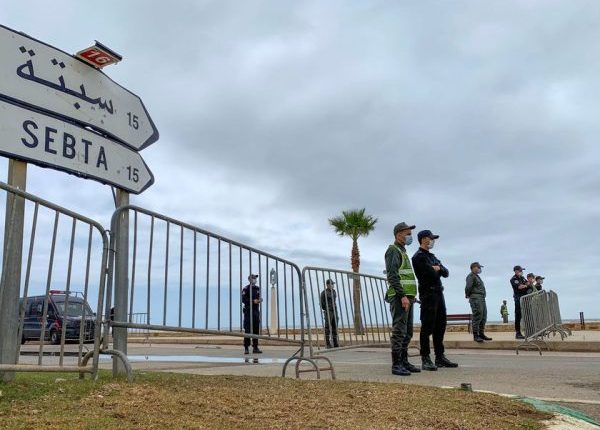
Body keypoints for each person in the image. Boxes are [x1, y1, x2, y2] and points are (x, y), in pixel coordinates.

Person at [412, 230, 458, 371]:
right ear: (424, 239)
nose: (433, 241)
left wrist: (438, 268)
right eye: (431, 238)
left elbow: (446, 272)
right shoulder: (418, 257)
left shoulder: (432, 257)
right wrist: (436, 269)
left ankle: (440, 357)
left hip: (439, 294)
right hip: (428, 294)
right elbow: (430, 273)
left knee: (440, 326)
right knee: (427, 327)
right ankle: (425, 358)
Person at [384, 222, 420, 376]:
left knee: (408, 332)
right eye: (408, 233)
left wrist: (412, 296)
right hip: (400, 297)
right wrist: (403, 296)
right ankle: (396, 364)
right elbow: (392, 276)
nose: (410, 236)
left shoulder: (402, 251)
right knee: (399, 331)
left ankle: (404, 361)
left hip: (408, 297)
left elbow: (405, 276)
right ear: (398, 234)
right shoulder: (393, 250)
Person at [465, 262, 491, 343]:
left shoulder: (477, 277)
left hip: (482, 298)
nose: (480, 269)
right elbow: (468, 287)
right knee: (477, 315)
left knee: (483, 316)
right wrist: (468, 295)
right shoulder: (471, 276)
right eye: (479, 267)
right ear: (474, 268)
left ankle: (481, 334)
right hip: (476, 298)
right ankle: (476, 335)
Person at [242, 274, 262, 354]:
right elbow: (243, 299)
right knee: (247, 330)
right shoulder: (246, 289)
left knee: (256, 329)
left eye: (255, 278)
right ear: (250, 279)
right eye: (253, 278)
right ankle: (246, 348)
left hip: (256, 311)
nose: (255, 279)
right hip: (248, 311)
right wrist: (253, 301)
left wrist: (259, 300)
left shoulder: (257, 288)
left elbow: (259, 297)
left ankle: (255, 347)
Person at [510, 265, 528, 339]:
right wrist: (526, 285)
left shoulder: (522, 278)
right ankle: (518, 333)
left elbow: (527, 283)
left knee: (526, 315)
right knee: (518, 316)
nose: (522, 272)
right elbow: (520, 287)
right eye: (520, 271)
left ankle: (528, 331)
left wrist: (526, 285)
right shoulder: (513, 279)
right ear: (516, 271)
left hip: (524, 299)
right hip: (518, 299)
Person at [320, 279, 339, 348]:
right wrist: (327, 309)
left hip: (334, 311)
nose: (333, 285)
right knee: (327, 327)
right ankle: (327, 344)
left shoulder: (334, 292)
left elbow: (334, 301)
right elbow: (322, 303)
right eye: (331, 284)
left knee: (335, 326)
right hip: (328, 311)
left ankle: (335, 343)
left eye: (333, 284)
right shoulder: (324, 293)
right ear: (327, 285)